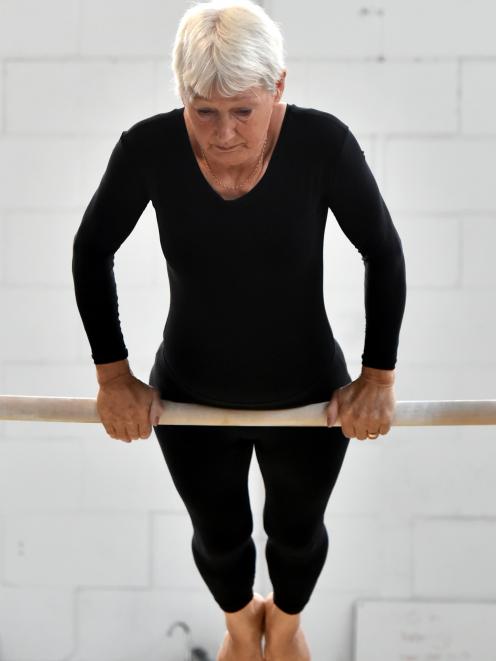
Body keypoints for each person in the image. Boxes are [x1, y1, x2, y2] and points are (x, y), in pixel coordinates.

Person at [71, 0, 406, 658]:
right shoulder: (148, 149)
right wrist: (114, 376)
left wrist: (378, 375)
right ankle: (237, 621)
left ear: (278, 88)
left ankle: (282, 624)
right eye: (205, 113)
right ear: (183, 96)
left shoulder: (322, 144)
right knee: (220, 537)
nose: (224, 134)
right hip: (192, 390)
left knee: (296, 534)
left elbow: (383, 250)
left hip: (308, 394)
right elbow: (91, 250)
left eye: (243, 112)